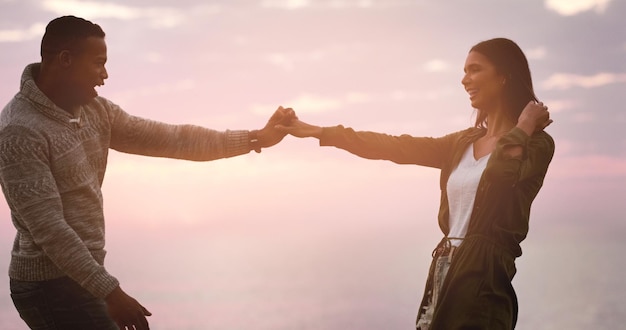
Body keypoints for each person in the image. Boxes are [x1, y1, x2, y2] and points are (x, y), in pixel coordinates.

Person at [0, 15, 295, 330]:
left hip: (81, 277)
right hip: (49, 287)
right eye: (98, 64)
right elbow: (51, 231)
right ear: (65, 60)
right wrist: (111, 293)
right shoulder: (20, 132)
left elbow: (174, 139)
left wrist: (255, 139)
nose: (104, 75)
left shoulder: (95, 111)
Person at [277, 37, 554, 329]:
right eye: (464, 71)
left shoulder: (536, 145)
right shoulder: (461, 143)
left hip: (484, 281)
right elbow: (393, 147)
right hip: (444, 271)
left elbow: (500, 177)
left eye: (474, 70)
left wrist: (524, 126)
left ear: (503, 76)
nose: (464, 80)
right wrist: (316, 131)